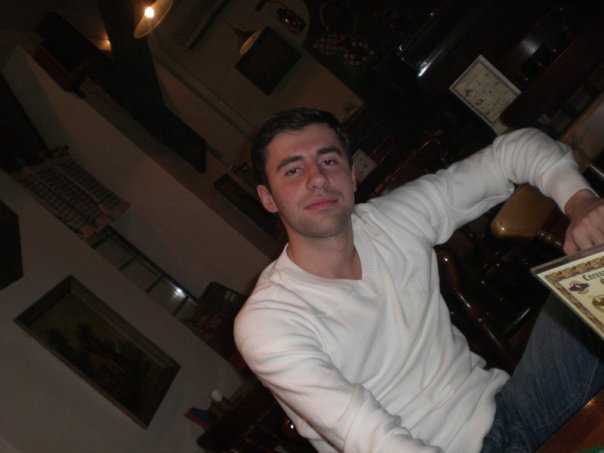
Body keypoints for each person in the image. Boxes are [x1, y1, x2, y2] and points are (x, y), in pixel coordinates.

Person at [234, 108, 604, 452]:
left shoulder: (390, 220)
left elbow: (513, 151)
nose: (317, 179)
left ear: (351, 175)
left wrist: (580, 202)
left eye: (329, 160)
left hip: (512, 411)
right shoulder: (268, 321)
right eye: (293, 171)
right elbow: (372, 440)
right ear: (268, 198)